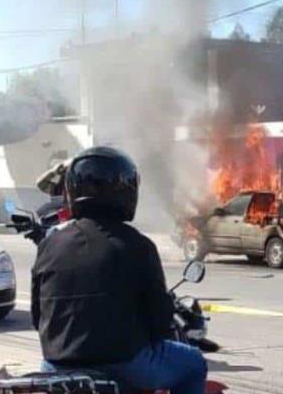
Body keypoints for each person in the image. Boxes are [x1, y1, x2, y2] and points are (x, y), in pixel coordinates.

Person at [31, 146, 208, 394]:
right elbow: (159, 321)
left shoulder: (49, 245)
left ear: (72, 191)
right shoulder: (137, 245)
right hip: (124, 363)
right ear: (125, 191)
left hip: (56, 365)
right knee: (194, 364)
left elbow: (37, 316)